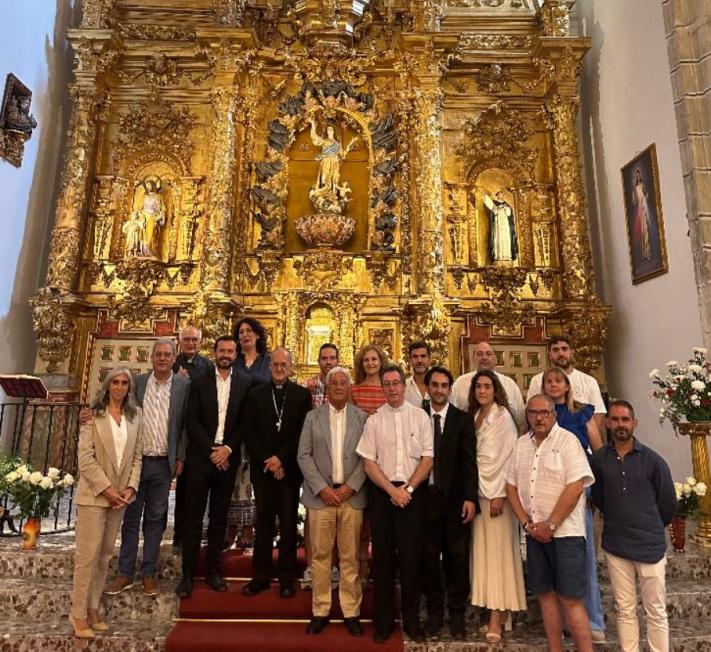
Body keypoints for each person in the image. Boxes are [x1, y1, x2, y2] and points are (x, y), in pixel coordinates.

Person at [506, 394, 594, 652]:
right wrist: (526, 523)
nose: (539, 417)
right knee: (545, 596)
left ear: (554, 414)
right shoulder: (521, 445)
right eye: (533, 413)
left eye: (544, 412)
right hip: (534, 534)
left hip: (566, 534)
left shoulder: (568, 441)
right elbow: (510, 485)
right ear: (528, 416)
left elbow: (576, 486)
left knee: (570, 600)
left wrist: (551, 524)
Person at [104, 339, 189, 597]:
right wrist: (89, 413)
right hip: (136, 463)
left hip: (164, 462)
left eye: (167, 355)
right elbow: (114, 405)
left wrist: (181, 456)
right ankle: (124, 572)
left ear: (174, 359)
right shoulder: (138, 383)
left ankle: (149, 572)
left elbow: (184, 425)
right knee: (131, 519)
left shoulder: (184, 386)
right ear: (151, 358)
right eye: (158, 355)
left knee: (155, 519)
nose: (162, 358)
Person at [591, 400, 677, 652]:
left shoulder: (653, 461)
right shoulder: (599, 460)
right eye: (615, 419)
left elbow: (668, 504)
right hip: (617, 545)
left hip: (650, 545)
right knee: (625, 609)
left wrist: (649, 526)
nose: (620, 425)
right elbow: (599, 497)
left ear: (634, 424)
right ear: (607, 423)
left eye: (625, 420)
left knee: (656, 610)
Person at [356, 364, 433, 644]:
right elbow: (368, 462)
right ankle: (383, 623)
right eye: (386, 384)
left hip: (413, 495)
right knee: (384, 562)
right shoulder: (374, 420)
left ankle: (412, 623)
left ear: (404, 385)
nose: (391, 388)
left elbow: (428, 458)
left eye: (395, 383)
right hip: (382, 495)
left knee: (412, 561)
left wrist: (408, 488)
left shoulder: (420, 417)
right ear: (383, 389)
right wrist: (392, 490)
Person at [175, 336, 251, 599]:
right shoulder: (199, 381)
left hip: (226, 459)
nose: (226, 354)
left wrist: (227, 449)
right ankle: (187, 575)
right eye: (222, 350)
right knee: (193, 518)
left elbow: (244, 421)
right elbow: (191, 420)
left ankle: (213, 572)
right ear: (215, 352)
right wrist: (211, 450)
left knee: (220, 518)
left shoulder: (244, 382)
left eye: (231, 351)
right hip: (201, 457)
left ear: (236, 354)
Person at [69, 368, 143, 638]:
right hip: (94, 495)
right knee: (86, 557)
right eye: (115, 383)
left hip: (120, 497)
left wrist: (131, 487)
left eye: (125, 383)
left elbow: (137, 457)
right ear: (107, 386)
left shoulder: (135, 416)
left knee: (103, 556)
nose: (120, 387)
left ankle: (93, 607)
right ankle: (77, 613)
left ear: (129, 388)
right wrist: (108, 489)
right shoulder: (92, 417)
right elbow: (85, 460)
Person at [297, 367, 368, 637]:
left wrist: (351, 487)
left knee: (350, 557)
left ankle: (351, 611)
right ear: (326, 387)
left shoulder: (362, 418)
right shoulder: (312, 418)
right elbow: (303, 455)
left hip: (351, 496)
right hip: (321, 498)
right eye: (333, 382)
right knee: (321, 556)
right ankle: (321, 610)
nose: (338, 386)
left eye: (343, 382)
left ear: (349, 386)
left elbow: (367, 457)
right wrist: (322, 488)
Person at [241, 348, 312, 598]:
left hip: (289, 471)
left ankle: (286, 577)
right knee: (263, 524)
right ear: (269, 366)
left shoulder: (302, 395)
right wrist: (268, 461)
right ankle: (260, 575)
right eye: (275, 364)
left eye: (284, 364)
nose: (280, 368)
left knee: (289, 525)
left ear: (291, 367)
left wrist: (281, 459)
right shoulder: (256, 395)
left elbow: (302, 433)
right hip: (263, 470)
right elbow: (249, 432)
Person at [542, 366, 606, 643]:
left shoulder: (582, 411)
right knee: (554, 556)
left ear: (568, 385)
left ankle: (592, 619)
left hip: (577, 486)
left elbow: (599, 452)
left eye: (559, 380)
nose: (554, 384)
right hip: (547, 488)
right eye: (549, 381)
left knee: (583, 555)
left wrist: (597, 491)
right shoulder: (541, 413)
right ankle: (566, 619)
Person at [469, 370, 526, 643]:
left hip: (497, 497)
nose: (482, 391)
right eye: (478, 386)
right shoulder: (475, 416)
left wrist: (500, 494)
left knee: (500, 557)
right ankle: (499, 612)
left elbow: (508, 458)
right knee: (485, 556)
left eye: (487, 387)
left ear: (495, 390)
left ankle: (496, 617)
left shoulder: (502, 417)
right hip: (479, 494)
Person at [421, 366, 478, 640]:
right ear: (427, 387)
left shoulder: (462, 420)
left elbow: (469, 462)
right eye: (435, 385)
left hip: (456, 501)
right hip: (425, 500)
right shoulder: (417, 417)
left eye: (444, 385)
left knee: (458, 557)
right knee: (429, 559)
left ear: (450, 388)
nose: (439, 390)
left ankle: (456, 615)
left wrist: (470, 497)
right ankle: (434, 614)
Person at [171, 326, 213, 553]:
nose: (190, 343)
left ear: (200, 341)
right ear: (179, 340)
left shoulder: (207, 366)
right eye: (186, 339)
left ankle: (194, 534)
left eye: (194, 340)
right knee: (182, 490)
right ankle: (178, 534)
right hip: (175, 431)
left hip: (197, 434)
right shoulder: (171, 361)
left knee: (196, 490)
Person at [527, 336, 607, 431]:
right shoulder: (537, 380)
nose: (561, 353)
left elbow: (598, 413)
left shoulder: (589, 381)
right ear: (550, 354)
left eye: (564, 349)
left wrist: (583, 436)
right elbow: (531, 411)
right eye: (555, 350)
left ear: (571, 352)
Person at [451, 341, 525, 430]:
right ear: (473, 358)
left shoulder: (509, 384)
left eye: (489, 354)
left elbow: (520, 417)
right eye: (479, 354)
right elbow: (452, 414)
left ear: (495, 359)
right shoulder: (460, 383)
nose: (484, 358)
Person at [350, 344, 387, 416]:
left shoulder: (388, 389)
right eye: (366, 360)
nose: (370, 363)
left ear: (381, 362)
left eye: (374, 359)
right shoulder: (353, 391)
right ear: (361, 364)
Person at [234, 317, 272, 387]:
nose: (244, 335)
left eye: (249, 330)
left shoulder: (268, 361)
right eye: (241, 332)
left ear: (257, 335)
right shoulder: (233, 361)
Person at [483, 190, 518, 263]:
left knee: (506, 238)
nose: (501, 196)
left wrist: (505, 208)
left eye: (502, 195)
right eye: (499, 195)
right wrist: (498, 208)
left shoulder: (506, 205)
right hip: (498, 223)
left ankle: (507, 255)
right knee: (498, 238)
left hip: (505, 224)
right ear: (497, 195)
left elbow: (509, 214)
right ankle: (498, 255)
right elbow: (493, 211)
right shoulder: (495, 204)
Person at [305, 342, 339, 408]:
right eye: (324, 358)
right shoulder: (307, 387)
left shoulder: (346, 388)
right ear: (318, 361)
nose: (328, 362)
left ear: (338, 361)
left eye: (332, 358)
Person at [632, 168, 653, 261]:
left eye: (639, 175)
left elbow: (647, 195)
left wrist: (645, 198)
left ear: (640, 175)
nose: (638, 177)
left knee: (645, 230)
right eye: (636, 176)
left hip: (644, 208)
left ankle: (648, 252)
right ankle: (644, 253)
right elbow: (634, 200)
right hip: (639, 209)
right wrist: (637, 200)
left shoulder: (642, 185)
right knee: (641, 231)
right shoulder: (635, 188)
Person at [405, 341, 431, 410]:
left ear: (429, 359)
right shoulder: (404, 388)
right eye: (415, 357)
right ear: (410, 360)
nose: (419, 360)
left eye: (423, 356)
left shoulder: (441, 386)